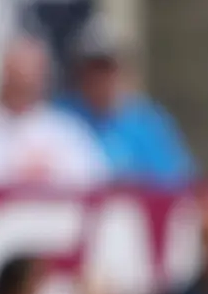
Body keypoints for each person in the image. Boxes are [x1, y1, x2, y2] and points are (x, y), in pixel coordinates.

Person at [0, 35, 105, 190]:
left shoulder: (67, 131)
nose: (24, 78)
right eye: (17, 72)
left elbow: (93, 183)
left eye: (32, 71)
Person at [61, 18, 195, 185]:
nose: (101, 77)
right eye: (93, 68)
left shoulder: (147, 123)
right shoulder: (61, 120)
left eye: (108, 67)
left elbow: (177, 181)